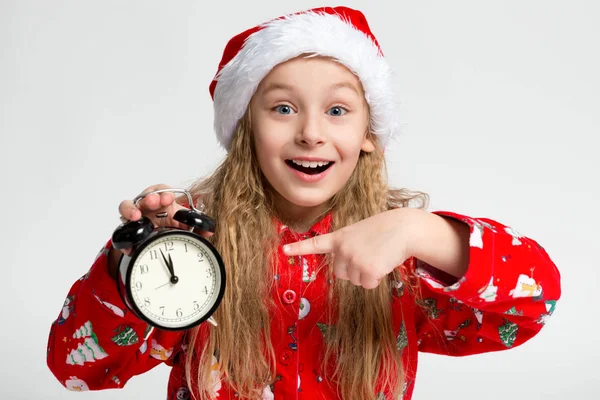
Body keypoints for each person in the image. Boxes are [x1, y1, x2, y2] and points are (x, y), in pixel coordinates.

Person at [46, 6, 561, 400]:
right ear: (246, 126)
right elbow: (78, 369)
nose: (311, 133)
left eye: (337, 109)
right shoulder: (194, 242)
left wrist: (420, 231)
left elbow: (535, 303)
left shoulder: (401, 254)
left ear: (368, 133)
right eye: (283, 108)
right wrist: (131, 270)